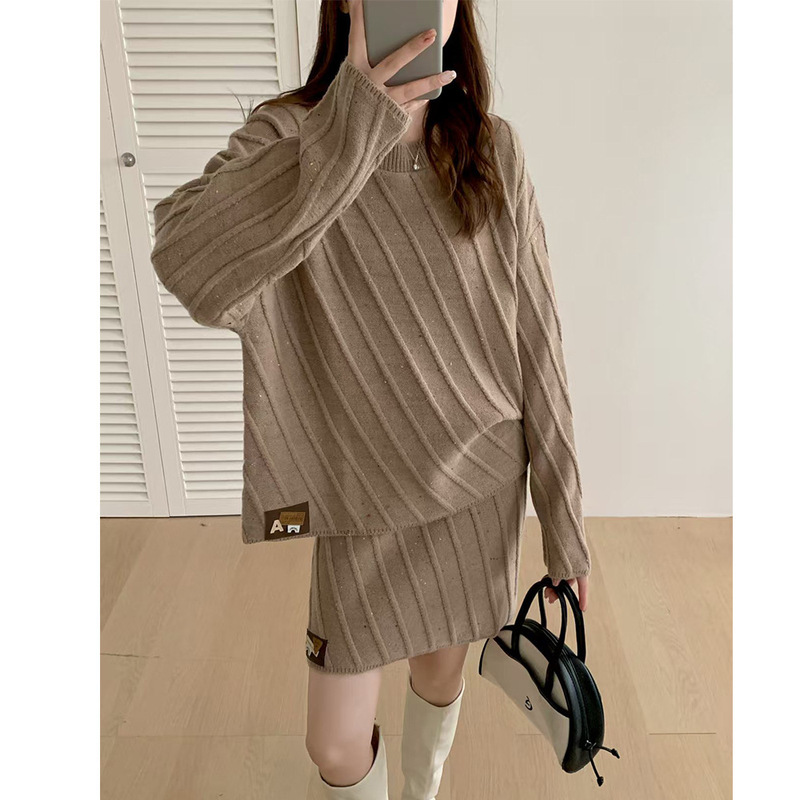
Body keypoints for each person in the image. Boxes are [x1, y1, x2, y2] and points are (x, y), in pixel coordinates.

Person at [150, 1, 591, 797]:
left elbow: (539, 343)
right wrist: (352, 124)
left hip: (477, 484)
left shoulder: (492, 148)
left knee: (436, 675)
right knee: (334, 744)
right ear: (350, 3)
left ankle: (421, 789)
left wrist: (565, 526)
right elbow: (188, 262)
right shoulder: (292, 134)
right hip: (359, 499)